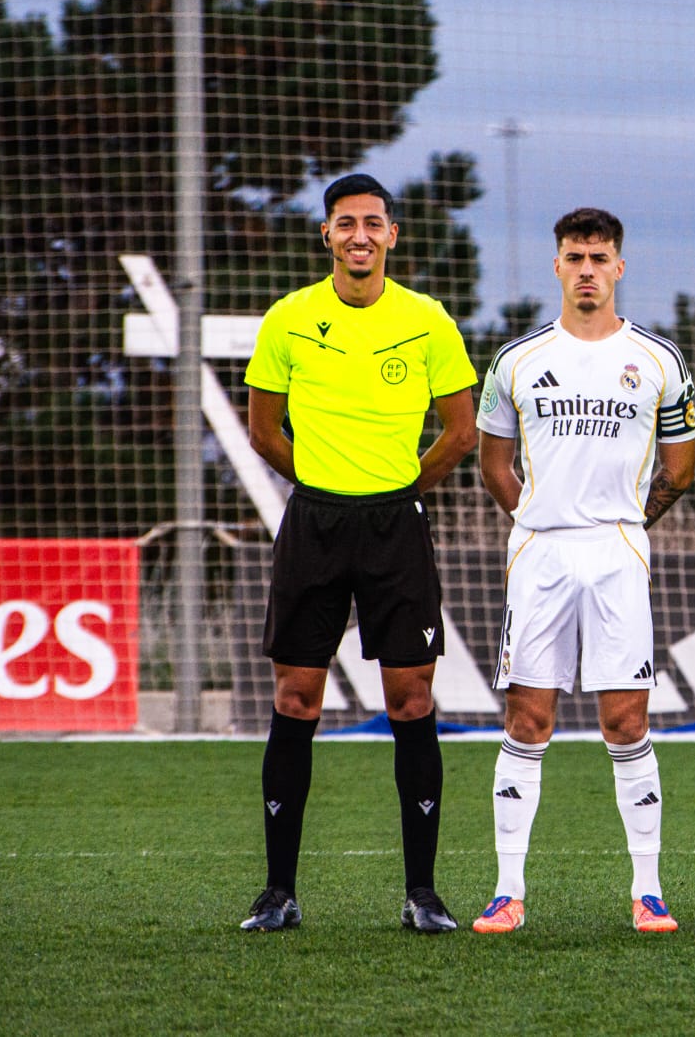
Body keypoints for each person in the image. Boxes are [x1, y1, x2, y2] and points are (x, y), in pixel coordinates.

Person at [240, 173, 478, 933]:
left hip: (395, 528)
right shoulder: (289, 317)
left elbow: (461, 432)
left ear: (393, 236)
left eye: (373, 223)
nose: (360, 236)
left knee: (410, 700)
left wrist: (403, 488)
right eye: (346, 223)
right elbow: (264, 430)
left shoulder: (428, 319)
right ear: (327, 236)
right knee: (295, 700)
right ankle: (278, 893)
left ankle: (423, 895)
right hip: (313, 524)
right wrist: (321, 483)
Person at [472, 208, 695, 934]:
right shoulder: (516, 360)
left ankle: (649, 890)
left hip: (618, 551)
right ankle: (508, 891)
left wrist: (623, 525)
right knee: (527, 717)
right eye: (575, 258)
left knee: (625, 719)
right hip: (539, 551)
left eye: (599, 258)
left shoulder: (659, 359)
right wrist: (537, 518)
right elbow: (494, 464)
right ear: (558, 266)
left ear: (619, 267)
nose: (587, 270)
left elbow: (681, 468)